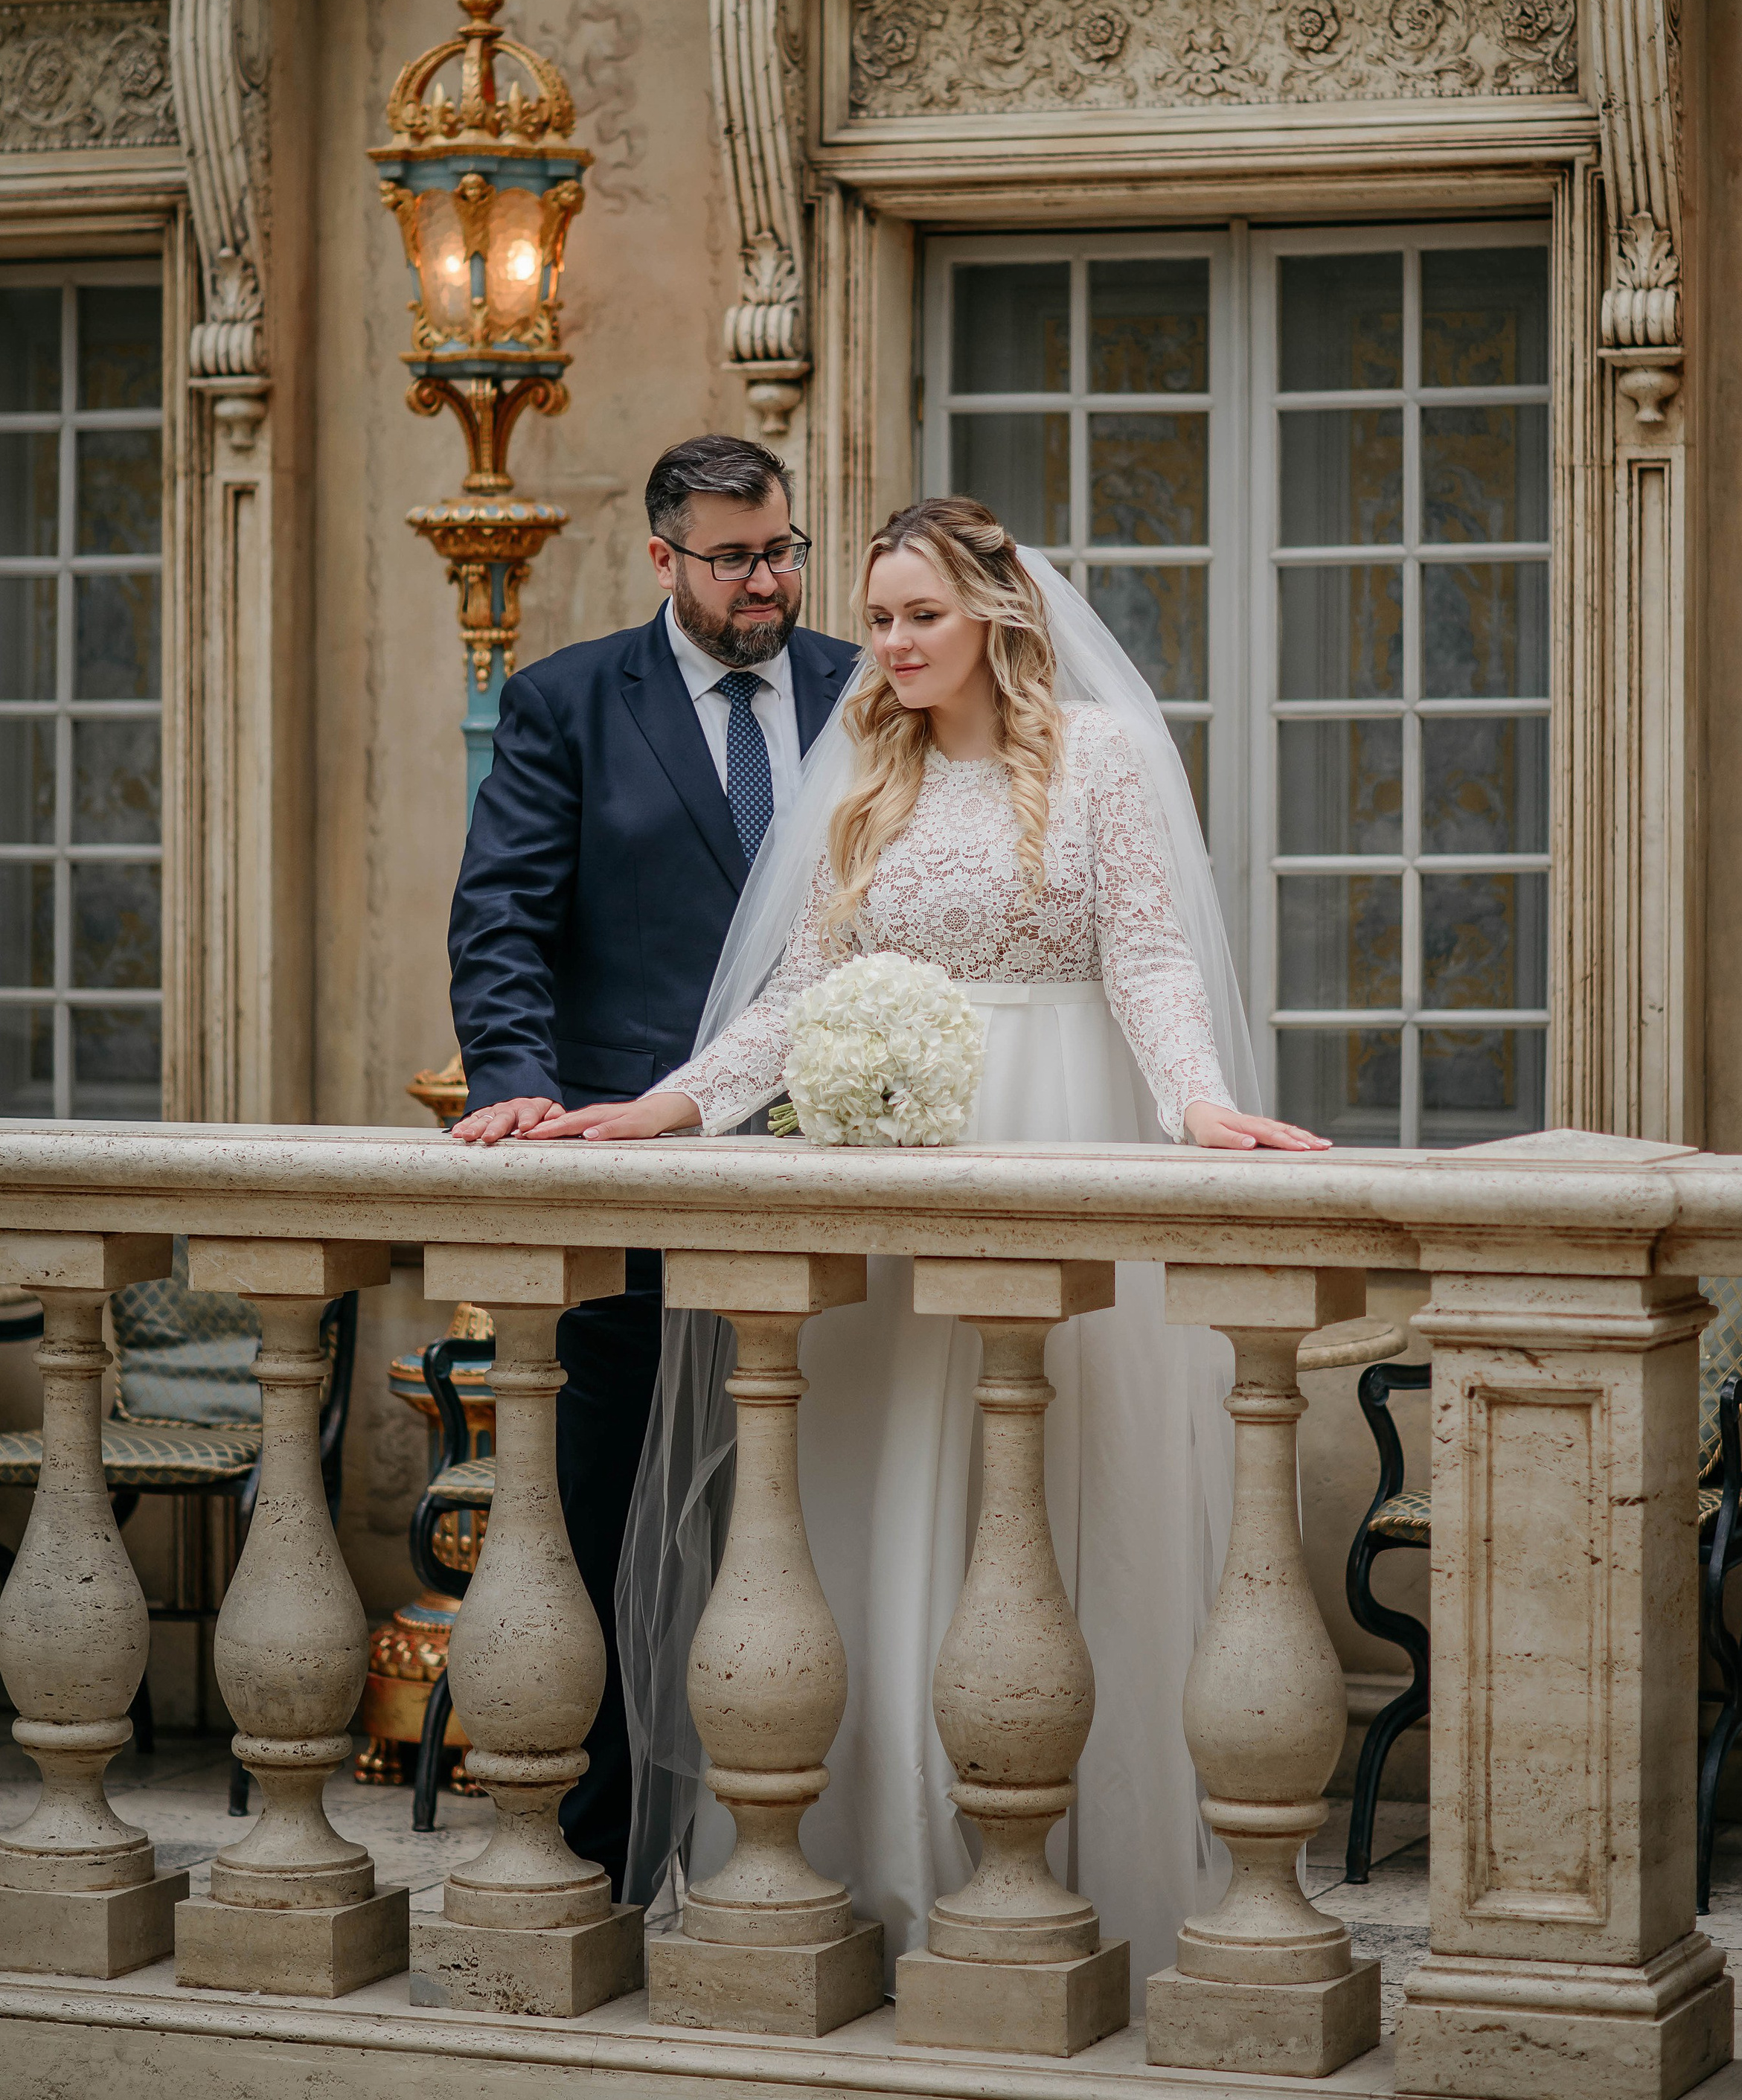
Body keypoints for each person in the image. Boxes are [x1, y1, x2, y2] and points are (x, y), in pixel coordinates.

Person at [517, 496, 1328, 1990]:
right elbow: (791, 1000)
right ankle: (866, 1864)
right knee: (876, 1497)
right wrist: (666, 1108)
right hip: (890, 1180)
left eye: (917, 618)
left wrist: (1200, 1106)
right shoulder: (861, 776)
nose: (884, 644)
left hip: (1058, 1136)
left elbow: (1145, 952)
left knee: (1057, 1493)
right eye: (878, 617)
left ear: (995, 620)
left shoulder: (1099, 760)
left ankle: (1067, 1876)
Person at [444, 433, 857, 1889]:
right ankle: (615, 1849)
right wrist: (514, 1089)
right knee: (619, 1518)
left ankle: (802, 1839)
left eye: (785, 548)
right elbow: (500, 917)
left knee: (824, 1508)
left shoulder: (866, 690)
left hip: (837, 1176)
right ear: (662, 556)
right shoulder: (566, 702)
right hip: (625, 1177)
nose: (770, 581)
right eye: (738, 556)